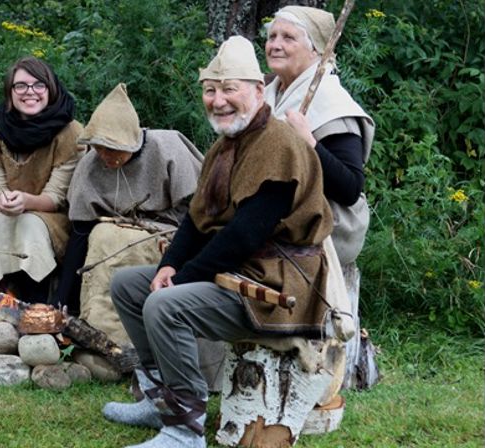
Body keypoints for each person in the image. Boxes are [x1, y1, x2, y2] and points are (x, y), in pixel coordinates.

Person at [102, 36, 333, 448]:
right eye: (211, 90)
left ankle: (184, 430)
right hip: (238, 272)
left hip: (278, 288)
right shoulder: (225, 146)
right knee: (129, 286)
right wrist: (169, 266)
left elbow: (246, 233)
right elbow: (196, 218)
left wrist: (185, 278)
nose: (218, 100)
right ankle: (161, 400)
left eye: (230, 89)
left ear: (258, 92)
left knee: (165, 304)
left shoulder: (280, 145)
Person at [53, 83, 202, 342]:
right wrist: (61, 299)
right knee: (103, 238)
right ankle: (103, 337)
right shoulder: (90, 165)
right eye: (98, 148)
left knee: (128, 244)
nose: (104, 156)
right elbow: (80, 229)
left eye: (111, 148)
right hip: (109, 232)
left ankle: (148, 339)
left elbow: (200, 208)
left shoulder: (167, 148)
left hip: (167, 231)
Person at [0, 56, 85, 324]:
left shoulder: (70, 132)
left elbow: (57, 196)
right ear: (10, 93)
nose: (30, 92)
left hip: (52, 216)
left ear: (50, 90)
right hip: (3, 210)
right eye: (20, 86)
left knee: (30, 224)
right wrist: (2, 199)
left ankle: (36, 306)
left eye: (38, 85)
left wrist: (27, 200)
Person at [263, 5, 375, 266]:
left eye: (288, 38)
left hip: (323, 229)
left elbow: (349, 189)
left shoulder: (331, 104)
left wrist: (308, 143)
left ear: (316, 50)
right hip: (274, 216)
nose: (275, 45)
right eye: (272, 36)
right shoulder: (269, 92)